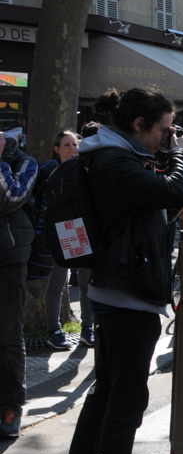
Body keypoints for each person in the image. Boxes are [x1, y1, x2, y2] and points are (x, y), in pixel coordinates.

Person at [48, 87, 183, 454]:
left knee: (106, 397)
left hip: (116, 291)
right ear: (138, 126)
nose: (167, 137)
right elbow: (177, 190)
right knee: (125, 404)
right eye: (163, 130)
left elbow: (158, 207)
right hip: (128, 295)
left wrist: (170, 155)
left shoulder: (110, 158)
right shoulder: (114, 162)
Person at [37, 131, 93, 350]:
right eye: (67, 145)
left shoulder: (86, 170)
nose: (72, 148)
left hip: (83, 230)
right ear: (57, 148)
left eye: (74, 144)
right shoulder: (48, 172)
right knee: (57, 282)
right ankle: (54, 330)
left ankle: (87, 328)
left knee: (87, 281)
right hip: (60, 232)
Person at [0, 127, 39, 439]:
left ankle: (11, 406)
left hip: (9, 259)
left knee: (9, 334)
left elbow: (10, 196)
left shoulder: (24, 164)